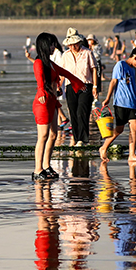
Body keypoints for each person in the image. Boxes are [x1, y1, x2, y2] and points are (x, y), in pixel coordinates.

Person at [32, 32, 85, 181]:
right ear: (44, 46)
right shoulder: (39, 62)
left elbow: (65, 73)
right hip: (42, 102)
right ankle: (37, 170)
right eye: (51, 44)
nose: (53, 47)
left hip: (52, 102)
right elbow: (39, 77)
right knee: (43, 136)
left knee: (54, 135)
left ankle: (46, 165)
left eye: (54, 43)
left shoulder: (51, 63)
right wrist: (42, 89)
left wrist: (78, 83)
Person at [99, 46, 136, 164]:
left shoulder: (133, 69)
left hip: (132, 104)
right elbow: (113, 81)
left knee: (134, 127)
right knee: (119, 129)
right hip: (121, 103)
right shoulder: (120, 65)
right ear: (135, 57)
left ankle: (132, 155)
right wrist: (108, 98)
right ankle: (104, 147)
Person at [60, 28, 98, 146]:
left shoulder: (87, 52)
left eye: (74, 44)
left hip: (85, 85)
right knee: (73, 112)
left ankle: (83, 139)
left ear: (79, 42)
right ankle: (77, 138)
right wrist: (58, 86)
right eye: (70, 45)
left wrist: (95, 86)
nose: (72, 47)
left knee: (82, 111)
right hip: (70, 86)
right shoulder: (65, 55)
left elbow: (94, 69)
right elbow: (62, 73)